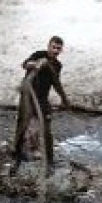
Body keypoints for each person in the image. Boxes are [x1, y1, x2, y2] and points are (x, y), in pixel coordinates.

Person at [12, 36, 70, 175]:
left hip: (42, 99)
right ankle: (17, 157)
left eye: (58, 48)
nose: (55, 50)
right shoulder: (39, 54)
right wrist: (37, 64)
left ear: (61, 50)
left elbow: (56, 83)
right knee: (22, 126)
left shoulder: (57, 65)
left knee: (47, 131)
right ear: (48, 46)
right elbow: (25, 64)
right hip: (27, 97)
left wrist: (64, 99)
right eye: (53, 47)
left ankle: (49, 163)